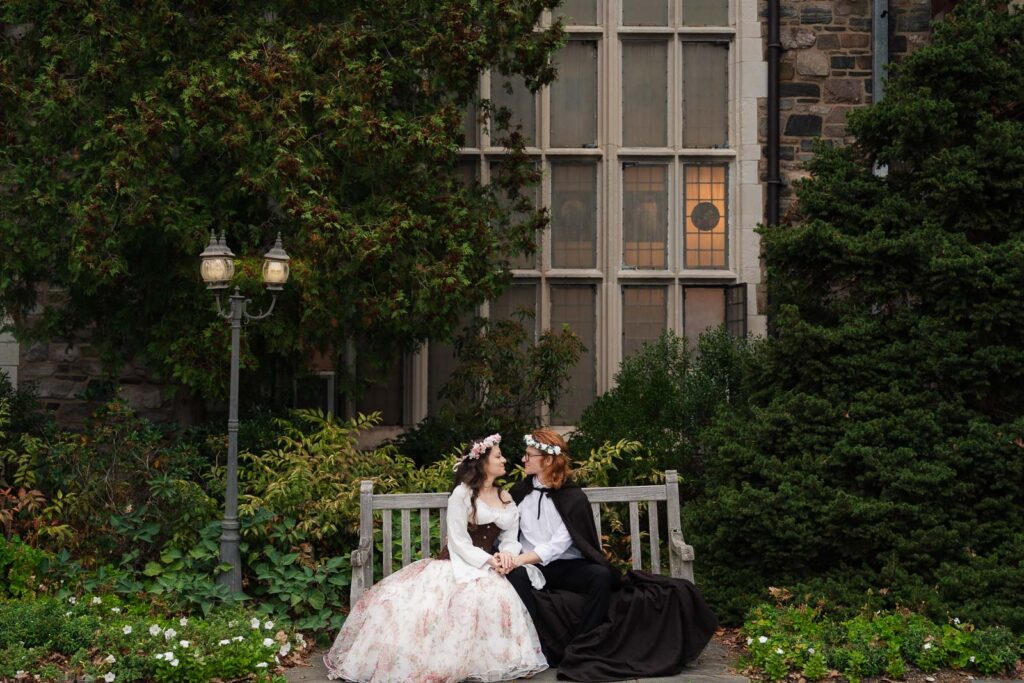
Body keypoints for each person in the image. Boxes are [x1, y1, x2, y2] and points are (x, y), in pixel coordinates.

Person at [323, 434, 547, 683]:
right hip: (455, 565)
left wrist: (506, 554)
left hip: (488, 567)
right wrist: (489, 561)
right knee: (436, 605)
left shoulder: (505, 497)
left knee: (496, 596)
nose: (504, 459)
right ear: (482, 462)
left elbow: (510, 536)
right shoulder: (462, 494)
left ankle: (485, 663)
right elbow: (458, 541)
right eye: (498, 456)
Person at [503, 428, 719, 682]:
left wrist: (522, 558)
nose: (524, 459)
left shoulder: (572, 497)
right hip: (533, 567)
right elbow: (508, 532)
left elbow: (559, 545)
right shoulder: (519, 493)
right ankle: (542, 645)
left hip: (565, 566)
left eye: (530, 455)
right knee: (515, 577)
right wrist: (511, 557)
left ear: (548, 460)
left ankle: (584, 645)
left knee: (601, 575)